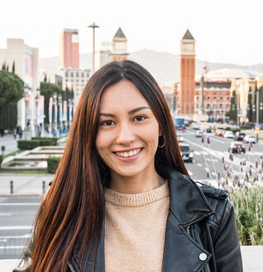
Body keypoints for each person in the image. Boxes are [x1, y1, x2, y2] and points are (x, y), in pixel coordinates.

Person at [14, 60, 243, 272]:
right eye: (107, 123)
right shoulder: (61, 206)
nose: (124, 137)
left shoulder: (213, 215)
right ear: (90, 134)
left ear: (161, 125)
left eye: (139, 118)